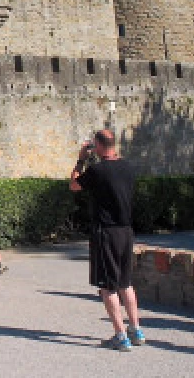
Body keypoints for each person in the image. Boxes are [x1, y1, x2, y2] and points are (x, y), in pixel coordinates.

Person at [71, 129, 144, 352]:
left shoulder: (97, 170)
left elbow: (74, 185)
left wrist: (80, 160)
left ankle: (120, 335)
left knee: (107, 286)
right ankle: (136, 329)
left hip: (106, 231)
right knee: (126, 283)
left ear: (99, 146)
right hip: (125, 230)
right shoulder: (129, 167)